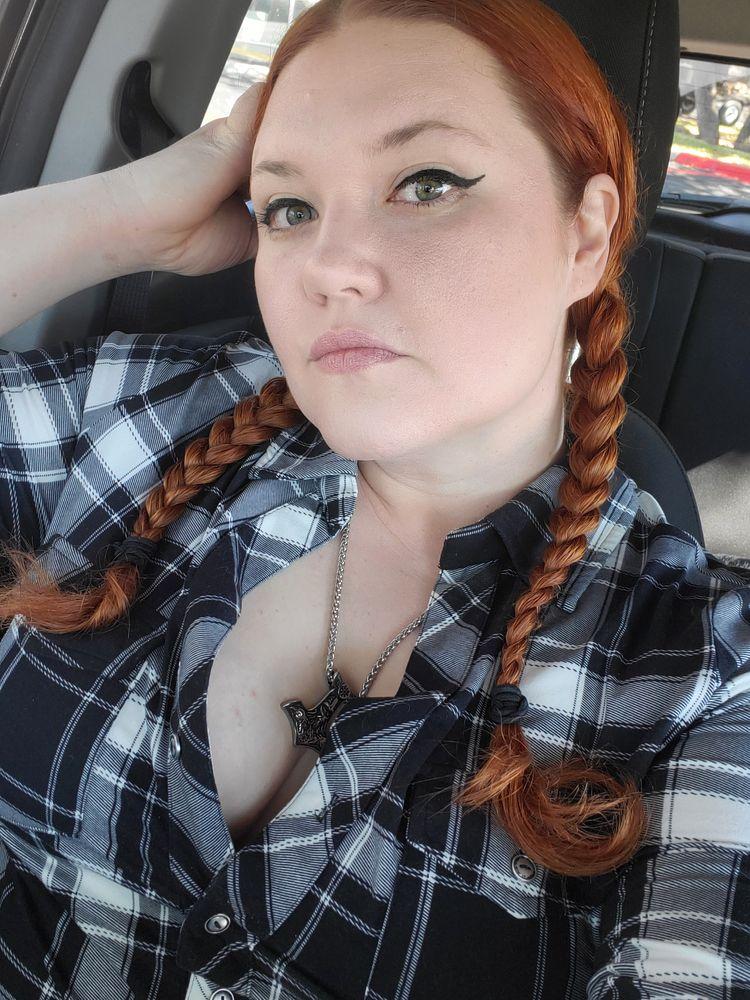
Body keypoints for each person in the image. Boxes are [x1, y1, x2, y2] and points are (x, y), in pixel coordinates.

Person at [0, 0, 748, 997]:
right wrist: (129, 214)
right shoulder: (144, 416)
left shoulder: (703, 675)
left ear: (585, 231)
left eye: (426, 183)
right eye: (288, 208)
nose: (328, 268)